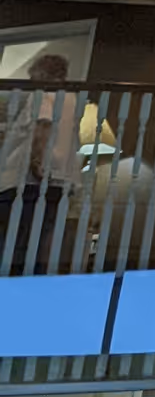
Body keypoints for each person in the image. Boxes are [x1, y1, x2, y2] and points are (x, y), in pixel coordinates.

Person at [0, 50, 82, 273]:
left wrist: (36, 162)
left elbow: (41, 127)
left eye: (33, 75)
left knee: (17, 238)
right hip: (59, 178)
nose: (30, 81)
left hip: (29, 180)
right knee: (39, 237)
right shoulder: (71, 100)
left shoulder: (44, 96)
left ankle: (12, 280)